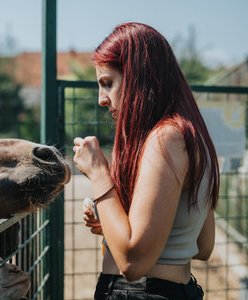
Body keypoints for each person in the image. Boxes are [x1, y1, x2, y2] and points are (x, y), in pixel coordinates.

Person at [72, 22, 219, 300]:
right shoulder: (191, 136)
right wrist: (113, 226)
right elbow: (202, 245)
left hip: (140, 292)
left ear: (142, 77)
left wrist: (98, 173)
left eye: (108, 83)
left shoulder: (167, 139)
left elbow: (133, 263)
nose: (101, 99)